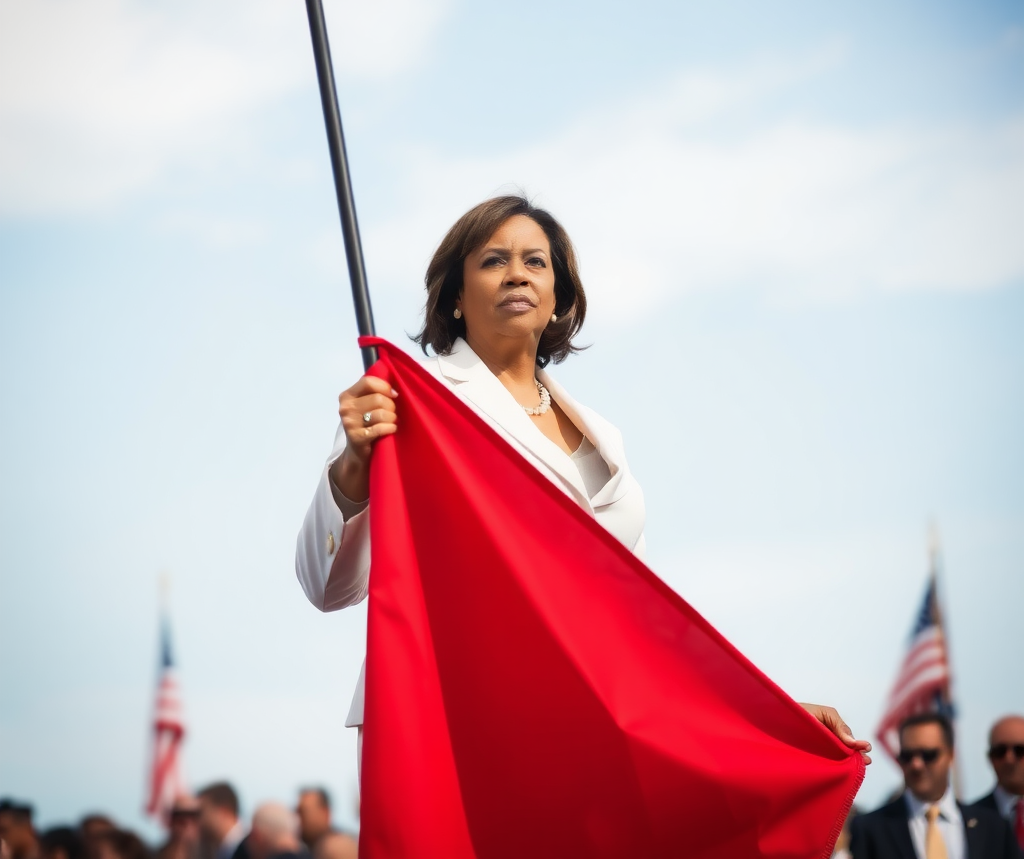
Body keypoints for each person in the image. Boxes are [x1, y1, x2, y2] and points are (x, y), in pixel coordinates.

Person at [295, 195, 872, 763]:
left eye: (535, 262)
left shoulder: (605, 438)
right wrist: (354, 463)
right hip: (453, 723)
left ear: (556, 302)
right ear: (453, 300)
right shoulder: (411, 403)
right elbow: (328, 588)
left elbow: (646, 624)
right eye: (494, 260)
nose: (517, 273)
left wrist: (770, 715)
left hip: (583, 730)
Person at [851, 713, 1020, 859]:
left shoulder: (994, 827)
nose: (916, 765)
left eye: (928, 755)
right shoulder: (870, 829)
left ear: (951, 755)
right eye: (907, 756)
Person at [973, 715, 1024, 850]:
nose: (1009, 759)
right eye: (1000, 752)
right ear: (990, 758)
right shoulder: (970, 821)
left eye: (1019, 751)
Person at [196, 785, 246, 859]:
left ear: (224, 812)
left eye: (201, 812)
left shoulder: (247, 850)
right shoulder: (222, 851)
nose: (197, 820)